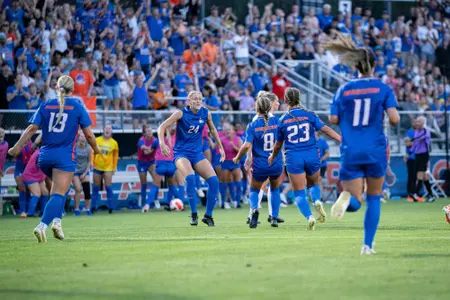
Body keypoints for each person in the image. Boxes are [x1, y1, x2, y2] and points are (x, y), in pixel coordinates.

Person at [323, 33, 399, 254]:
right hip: (375, 149)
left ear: (355, 66)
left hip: (350, 149)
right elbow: (394, 119)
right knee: (374, 197)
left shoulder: (343, 90)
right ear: (374, 65)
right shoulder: (383, 89)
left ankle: (345, 199)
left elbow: (334, 119)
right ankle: (367, 245)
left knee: (355, 198)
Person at [8, 75, 101, 243]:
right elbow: (88, 134)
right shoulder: (77, 107)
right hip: (64, 156)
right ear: (73, 90)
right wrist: (96, 149)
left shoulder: (45, 105)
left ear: (57, 88)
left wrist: (16, 147)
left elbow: (31, 129)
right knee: (59, 193)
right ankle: (42, 226)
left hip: (44, 157)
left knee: (59, 189)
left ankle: (57, 223)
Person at [268, 87, 340, 230]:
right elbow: (325, 129)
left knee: (299, 192)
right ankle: (317, 201)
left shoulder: (282, 120)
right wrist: (340, 138)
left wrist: (272, 156)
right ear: (299, 99)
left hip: (294, 157)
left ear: (286, 100)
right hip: (312, 155)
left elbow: (278, 145)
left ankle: (310, 217)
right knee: (313, 184)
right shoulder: (309, 115)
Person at [157, 90, 225, 226]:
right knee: (190, 178)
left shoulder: (205, 113)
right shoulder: (180, 113)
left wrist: (220, 146)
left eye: (200, 99)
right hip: (181, 153)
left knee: (214, 181)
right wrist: (162, 143)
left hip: (197, 153)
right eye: (195, 99)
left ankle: (208, 216)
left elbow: (212, 130)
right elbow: (162, 127)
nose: (198, 101)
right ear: (189, 101)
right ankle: (194, 214)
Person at [232, 95, 283, 228]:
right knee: (275, 189)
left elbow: (247, 145)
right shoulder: (277, 122)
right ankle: (274, 218)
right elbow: (282, 142)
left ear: (257, 107)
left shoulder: (253, 125)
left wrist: (238, 157)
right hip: (276, 163)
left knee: (254, 190)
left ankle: (254, 209)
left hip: (261, 164)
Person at [92, 125, 119, 214]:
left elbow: (115, 156)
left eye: (109, 129)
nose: (107, 130)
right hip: (97, 166)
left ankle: (111, 208)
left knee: (108, 187)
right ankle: (92, 208)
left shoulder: (114, 143)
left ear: (111, 131)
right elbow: (92, 152)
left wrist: (114, 167)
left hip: (108, 168)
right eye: (106, 128)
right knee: (95, 188)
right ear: (103, 130)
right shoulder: (97, 140)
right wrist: (92, 163)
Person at [153, 125, 180, 209]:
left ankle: (147, 204)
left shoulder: (172, 137)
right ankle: (177, 202)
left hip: (170, 162)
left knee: (158, 184)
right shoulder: (165, 138)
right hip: (172, 162)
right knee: (172, 184)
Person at [410, 116, 434, 202]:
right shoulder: (416, 131)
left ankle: (415, 193)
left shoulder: (425, 131)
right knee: (424, 177)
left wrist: (410, 141)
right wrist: (410, 152)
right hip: (417, 155)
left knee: (419, 174)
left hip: (424, 155)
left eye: (419, 122)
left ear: (423, 123)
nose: (417, 123)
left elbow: (419, 139)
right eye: (417, 122)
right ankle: (431, 194)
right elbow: (415, 144)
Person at [22, 143, 48, 217]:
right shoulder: (40, 153)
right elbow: (41, 164)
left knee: (45, 192)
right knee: (37, 193)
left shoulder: (41, 151)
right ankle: (30, 213)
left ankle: (43, 213)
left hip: (38, 175)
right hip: (30, 175)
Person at [220, 123, 242, 208]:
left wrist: (234, 146)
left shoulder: (238, 139)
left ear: (233, 131)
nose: (228, 131)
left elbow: (241, 151)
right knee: (225, 183)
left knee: (238, 183)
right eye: (227, 130)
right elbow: (217, 149)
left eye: (230, 130)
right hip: (226, 162)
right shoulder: (222, 140)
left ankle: (237, 202)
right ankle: (224, 202)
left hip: (235, 162)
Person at [138, 125, 159, 212]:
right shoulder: (141, 140)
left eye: (151, 131)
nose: (150, 133)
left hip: (151, 162)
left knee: (156, 180)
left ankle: (155, 200)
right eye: (148, 131)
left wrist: (148, 149)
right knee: (143, 183)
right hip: (142, 162)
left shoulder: (155, 140)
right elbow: (145, 151)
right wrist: (149, 148)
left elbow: (148, 151)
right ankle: (144, 203)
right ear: (144, 133)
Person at [73, 131, 93, 216]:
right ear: (78, 137)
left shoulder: (89, 148)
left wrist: (85, 173)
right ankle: (76, 209)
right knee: (78, 189)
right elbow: (72, 159)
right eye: (81, 136)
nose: (82, 138)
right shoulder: (74, 147)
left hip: (84, 170)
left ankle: (88, 209)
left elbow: (89, 161)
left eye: (84, 136)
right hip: (75, 171)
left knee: (87, 190)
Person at [14, 137, 34, 218]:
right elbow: (15, 154)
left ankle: (29, 211)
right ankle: (22, 211)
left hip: (28, 170)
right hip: (19, 169)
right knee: (22, 189)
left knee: (29, 190)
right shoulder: (19, 144)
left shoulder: (32, 145)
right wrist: (20, 144)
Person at [404, 119, 417, 202]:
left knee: (417, 177)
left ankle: (415, 194)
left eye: (417, 122)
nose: (415, 123)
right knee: (411, 177)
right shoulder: (409, 132)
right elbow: (407, 142)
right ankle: (409, 194)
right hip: (411, 157)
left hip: (419, 157)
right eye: (414, 122)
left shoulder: (421, 132)